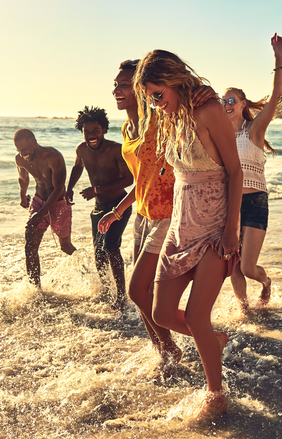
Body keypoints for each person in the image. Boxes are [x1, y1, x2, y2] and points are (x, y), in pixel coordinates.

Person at [134, 49, 242, 419]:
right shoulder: (172, 117)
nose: (154, 103)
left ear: (175, 81)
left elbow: (236, 172)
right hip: (181, 227)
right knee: (161, 312)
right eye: (150, 97)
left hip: (214, 227)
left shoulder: (209, 111)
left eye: (157, 95)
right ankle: (215, 342)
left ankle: (216, 394)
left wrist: (231, 231)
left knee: (197, 316)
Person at [98, 60, 218, 376]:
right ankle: (165, 353)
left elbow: (188, 103)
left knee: (138, 291)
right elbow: (143, 178)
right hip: (142, 213)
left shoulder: (159, 118)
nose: (117, 90)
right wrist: (119, 210)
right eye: (116, 84)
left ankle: (181, 347)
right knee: (141, 296)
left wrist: (206, 92)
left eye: (125, 84)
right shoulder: (127, 129)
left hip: (170, 212)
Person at [225, 33, 282, 310]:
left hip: (255, 202)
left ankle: (266, 282)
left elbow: (274, 98)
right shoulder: (219, 137)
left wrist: (278, 56)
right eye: (223, 101)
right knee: (232, 265)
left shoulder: (255, 130)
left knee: (248, 267)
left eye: (232, 100)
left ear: (242, 104)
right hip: (229, 204)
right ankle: (244, 309)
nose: (227, 104)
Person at [66, 106, 133, 310]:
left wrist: (97, 189)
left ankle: (121, 297)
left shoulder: (115, 149)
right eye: (87, 131)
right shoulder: (81, 149)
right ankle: (106, 291)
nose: (91, 135)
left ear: (104, 129)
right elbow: (78, 166)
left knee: (112, 248)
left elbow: (129, 179)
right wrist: (68, 188)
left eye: (96, 130)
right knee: (99, 253)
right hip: (98, 208)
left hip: (119, 206)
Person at [14, 128, 76, 287]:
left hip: (58, 204)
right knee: (30, 247)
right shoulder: (20, 159)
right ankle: (36, 291)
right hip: (39, 200)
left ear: (34, 142)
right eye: (20, 151)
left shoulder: (54, 157)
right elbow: (23, 178)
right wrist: (23, 196)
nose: (24, 154)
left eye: (26, 149)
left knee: (66, 247)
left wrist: (41, 213)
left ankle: (88, 271)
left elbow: (59, 188)